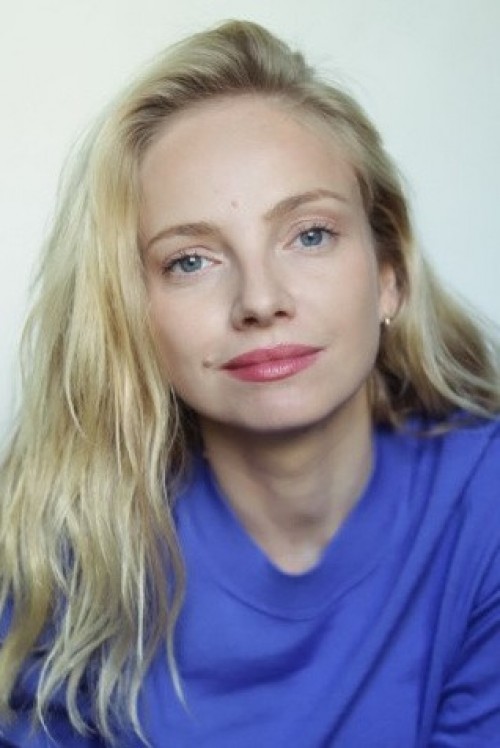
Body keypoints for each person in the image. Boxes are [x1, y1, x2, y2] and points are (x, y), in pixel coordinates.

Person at [1, 19, 500, 748]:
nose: (261, 301)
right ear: (131, 313)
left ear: (390, 274)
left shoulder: (485, 503)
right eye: (191, 261)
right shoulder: (70, 542)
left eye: (310, 234)